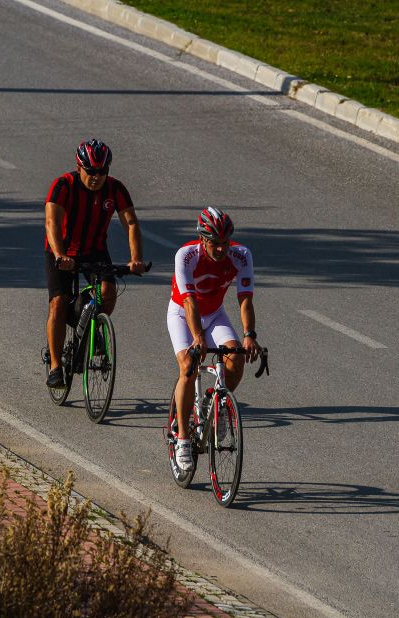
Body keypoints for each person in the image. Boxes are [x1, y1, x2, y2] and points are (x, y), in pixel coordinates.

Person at [44, 139, 146, 388]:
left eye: (102, 171)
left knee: (108, 291)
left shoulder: (115, 189)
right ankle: (56, 366)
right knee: (58, 303)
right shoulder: (63, 185)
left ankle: (92, 325)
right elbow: (51, 222)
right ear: (79, 167)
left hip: (94, 250)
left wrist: (136, 259)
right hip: (62, 250)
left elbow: (131, 223)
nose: (96, 177)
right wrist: (60, 255)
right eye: (91, 171)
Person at [167, 206, 262, 470]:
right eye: (214, 243)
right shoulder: (186, 255)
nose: (221, 249)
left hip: (215, 314)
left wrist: (249, 335)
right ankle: (183, 439)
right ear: (202, 239)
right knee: (188, 367)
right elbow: (189, 301)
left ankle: (215, 406)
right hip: (182, 313)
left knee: (236, 359)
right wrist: (197, 337)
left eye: (225, 242)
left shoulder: (241, 255)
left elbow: (245, 299)